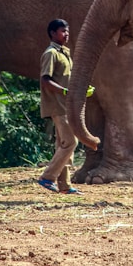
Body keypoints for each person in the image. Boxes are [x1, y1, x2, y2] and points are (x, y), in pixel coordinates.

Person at [37, 19, 82, 195]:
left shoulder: (64, 53)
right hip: (58, 105)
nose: (66, 34)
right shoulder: (51, 54)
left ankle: (64, 185)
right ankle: (47, 177)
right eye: (63, 31)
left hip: (66, 104)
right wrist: (64, 91)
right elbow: (45, 79)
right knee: (71, 142)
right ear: (53, 33)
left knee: (62, 143)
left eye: (67, 31)